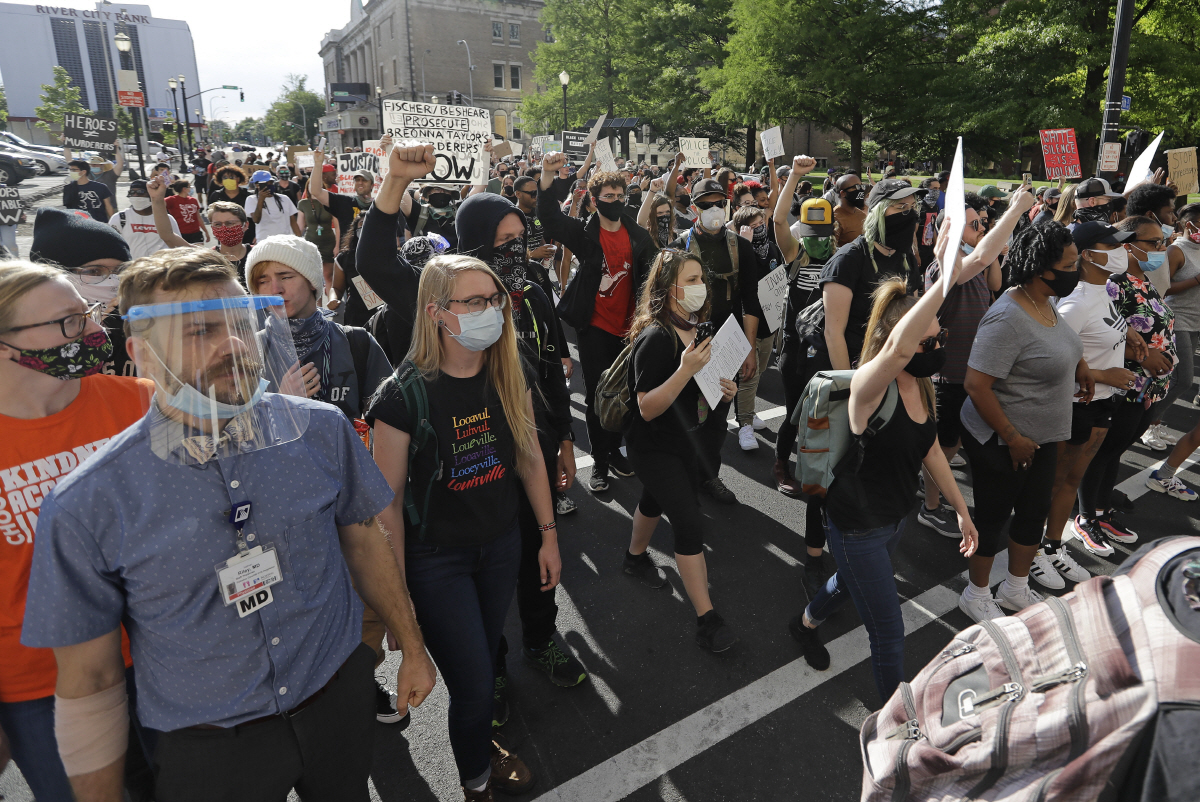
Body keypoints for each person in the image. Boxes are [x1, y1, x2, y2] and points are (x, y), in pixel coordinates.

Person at [21, 247, 437, 802]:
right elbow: (89, 679)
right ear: (142, 354)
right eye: (200, 331)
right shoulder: (89, 502)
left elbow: (363, 537)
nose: (236, 344)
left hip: (334, 698)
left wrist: (411, 645)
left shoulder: (318, 430)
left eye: (240, 321)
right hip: (210, 744)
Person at [367, 252, 558, 801]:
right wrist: (400, 609)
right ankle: (476, 783)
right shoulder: (401, 399)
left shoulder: (507, 370)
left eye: (494, 300)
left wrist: (547, 535)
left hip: (500, 546)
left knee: (485, 653)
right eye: (473, 302)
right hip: (436, 562)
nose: (490, 311)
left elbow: (528, 458)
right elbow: (387, 511)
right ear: (436, 313)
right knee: (475, 685)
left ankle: (478, 745)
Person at [790, 235, 978, 703]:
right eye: (929, 339)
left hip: (895, 517)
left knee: (849, 583)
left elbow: (930, 449)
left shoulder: (922, 387)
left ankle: (805, 622)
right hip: (856, 526)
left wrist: (960, 509)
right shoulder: (870, 387)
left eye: (941, 338)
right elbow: (896, 349)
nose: (937, 344)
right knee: (890, 635)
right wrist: (944, 274)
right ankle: (896, 736)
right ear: (905, 340)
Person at [0, 260, 155, 802]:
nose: (92, 332)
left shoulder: (138, 401)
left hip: (162, 659)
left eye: (88, 312)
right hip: (39, 686)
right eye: (68, 322)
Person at [958, 221, 1090, 622]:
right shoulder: (1007, 318)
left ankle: (1015, 588)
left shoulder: (1043, 300)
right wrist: (1011, 436)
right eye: (1070, 263)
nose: (1078, 268)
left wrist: (1079, 363)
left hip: (1043, 436)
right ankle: (975, 593)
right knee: (994, 517)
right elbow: (976, 385)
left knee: (1033, 513)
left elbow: (1056, 337)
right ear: (1042, 271)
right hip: (1002, 439)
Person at [622, 248, 741, 651]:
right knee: (689, 524)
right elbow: (646, 407)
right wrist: (685, 370)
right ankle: (708, 619)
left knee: (653, 499)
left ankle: (634, 558)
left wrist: (727, 393)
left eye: (700, 279)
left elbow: (702, 394)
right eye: (690, 280)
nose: (699, 287)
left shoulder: (700, 328)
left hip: (684, 442)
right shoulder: (656, 337)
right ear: (668, 289)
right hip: (652, 446)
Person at [1033, 222, 1143, 590]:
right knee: (1051, 483)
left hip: (1100, 404)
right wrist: (1106, 375)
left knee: (1072, 480)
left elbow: (1102, 329)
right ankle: (1030, 551)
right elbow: (1051, 361)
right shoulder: (1075, 301)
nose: (1120, 250)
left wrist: (1128, 335)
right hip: (1073, 405)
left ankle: (1052, 545)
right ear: (1086, 255)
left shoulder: (1104, 290)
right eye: (1110, 244)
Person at [538, 151, 657, 493]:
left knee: (626, 393)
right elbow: (547, 215)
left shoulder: (639, 237)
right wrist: (548, 175)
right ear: (594, 201)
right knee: (597, 396)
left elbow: (652, 279)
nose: (616, 202)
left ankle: (617, 450)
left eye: (621, 197)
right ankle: (600, 464)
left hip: (630, 331)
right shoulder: (583, 233)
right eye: (608, 198)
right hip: (594, 329)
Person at [1072, 216, 1176, 552]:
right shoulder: (1114, 283)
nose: (1162, 249)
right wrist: (1143, 359)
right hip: (1126, 383)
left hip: (1147, 388)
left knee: (1115, 450)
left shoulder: (1142, 279)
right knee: (1101, 452)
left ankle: (1101, 511)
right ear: (1129, 245)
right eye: (1154, 243)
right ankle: (1086, 517)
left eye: (1163, 242)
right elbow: (1102, 335)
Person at [915, 194, 1016, 537]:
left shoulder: (975, 260)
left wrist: (993, 259)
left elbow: (995, 286)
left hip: (972, 369)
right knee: (940, 446)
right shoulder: (946, 267)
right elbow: (965, 272)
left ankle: (929, 489)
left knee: (952, 442)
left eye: (982, 223)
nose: (982, 228)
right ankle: (930, 507)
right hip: (949, 371)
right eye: (975, 224)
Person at [667, 176, 758, 503]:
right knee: (686, 414)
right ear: (694, 207)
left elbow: (751, 299)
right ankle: (679, 477)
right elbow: (666, 298)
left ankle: (709, 476)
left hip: (729, 342)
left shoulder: (741, 247)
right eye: (706, 205)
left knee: (719, 416)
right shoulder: (679, 246)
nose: (714, 210)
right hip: (689, 342)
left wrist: (748, 350)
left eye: (720, 203)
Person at [772, 161, 833, 500]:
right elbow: (778, 219)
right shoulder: (795, 253)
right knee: (793, 412)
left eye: (822, 236)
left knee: (821, 415)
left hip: (826, 348)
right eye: (812, 235)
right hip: (794, 349)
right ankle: (781, 462)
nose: (817, 243)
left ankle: (815, 468)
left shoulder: (841, 256)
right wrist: (794, 176)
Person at [30, 207, 136, 377]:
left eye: (119, 271)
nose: (113, 281)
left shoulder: (133, 323)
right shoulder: (25, 337)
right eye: (94, 272)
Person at [731, 203, 784, 451]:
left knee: (759, 370)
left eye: (761, 224)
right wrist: (743, 246)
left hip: (769, 323)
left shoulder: (772, 249)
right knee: (748, 375)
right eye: (753, 227)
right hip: (747, 323)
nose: (759, 229)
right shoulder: (739, 252)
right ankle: (745, 425)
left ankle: (749, 411)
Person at [109, 179, 184, 259]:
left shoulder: (167, 219)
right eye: (132, 193)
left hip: (159, 267)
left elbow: (176, 246)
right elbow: (111, 245)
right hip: (132, 267)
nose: (135, 196)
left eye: (140, 192)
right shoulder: (119, 218)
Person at [246, 170, 301, 240]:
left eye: (271, 182)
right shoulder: (252, 199)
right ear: (257, 185)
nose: (270, 185)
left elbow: (293, 222)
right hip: (265, 241)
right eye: (266, 183)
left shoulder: (284, 198)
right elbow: (256, 220)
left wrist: (300, 240)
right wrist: (261, 199)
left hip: (286, 241)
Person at [209, 201, 253, 280]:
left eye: (230, 223)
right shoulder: (209, 259)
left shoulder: (257, 255)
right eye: (217, 224)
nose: (224, 228)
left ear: (245, 225)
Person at [165, 180, 209, 244]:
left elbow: (198, 218)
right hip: (181, 233)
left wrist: (206, 231)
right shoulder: (171, 200)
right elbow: (158, 205)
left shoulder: (193, 200)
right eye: (189, 187)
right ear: (184, 189)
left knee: (198, 252)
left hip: (196, 233)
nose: (191, 188)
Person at [832, 173, 867, 247]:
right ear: (843, 193)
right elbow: (832, 250)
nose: (860, 190)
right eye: (856, 187)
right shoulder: (834, 218)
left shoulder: (861, 214)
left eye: (861, 186)